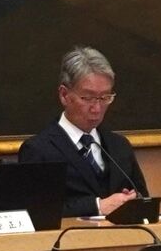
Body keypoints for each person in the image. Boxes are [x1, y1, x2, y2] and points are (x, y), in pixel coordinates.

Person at [18, 46, 147, 217]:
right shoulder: (39, 149)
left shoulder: (119, 146)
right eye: (88, 98)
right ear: (64, 95)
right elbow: (35, 212)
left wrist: (131, 200)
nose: (97, 108)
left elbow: (144, 200)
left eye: (105, 98)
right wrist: (97, 206)